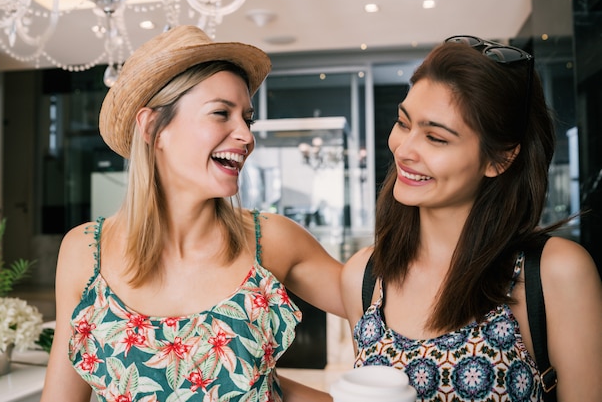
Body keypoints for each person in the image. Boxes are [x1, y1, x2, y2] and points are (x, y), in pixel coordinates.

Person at [40, 25, 342, 402]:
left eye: (246, 119)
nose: (247, 136)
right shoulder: (85, 252)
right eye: (221, 113)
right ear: (153, 129)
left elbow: (387, 309)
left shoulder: (273, 239)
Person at [341, 35, 602, 401]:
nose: (404, 148)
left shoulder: (553, 273)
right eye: (403, 123)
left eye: (435, 137)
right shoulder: (365, 277)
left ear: (500, 159)